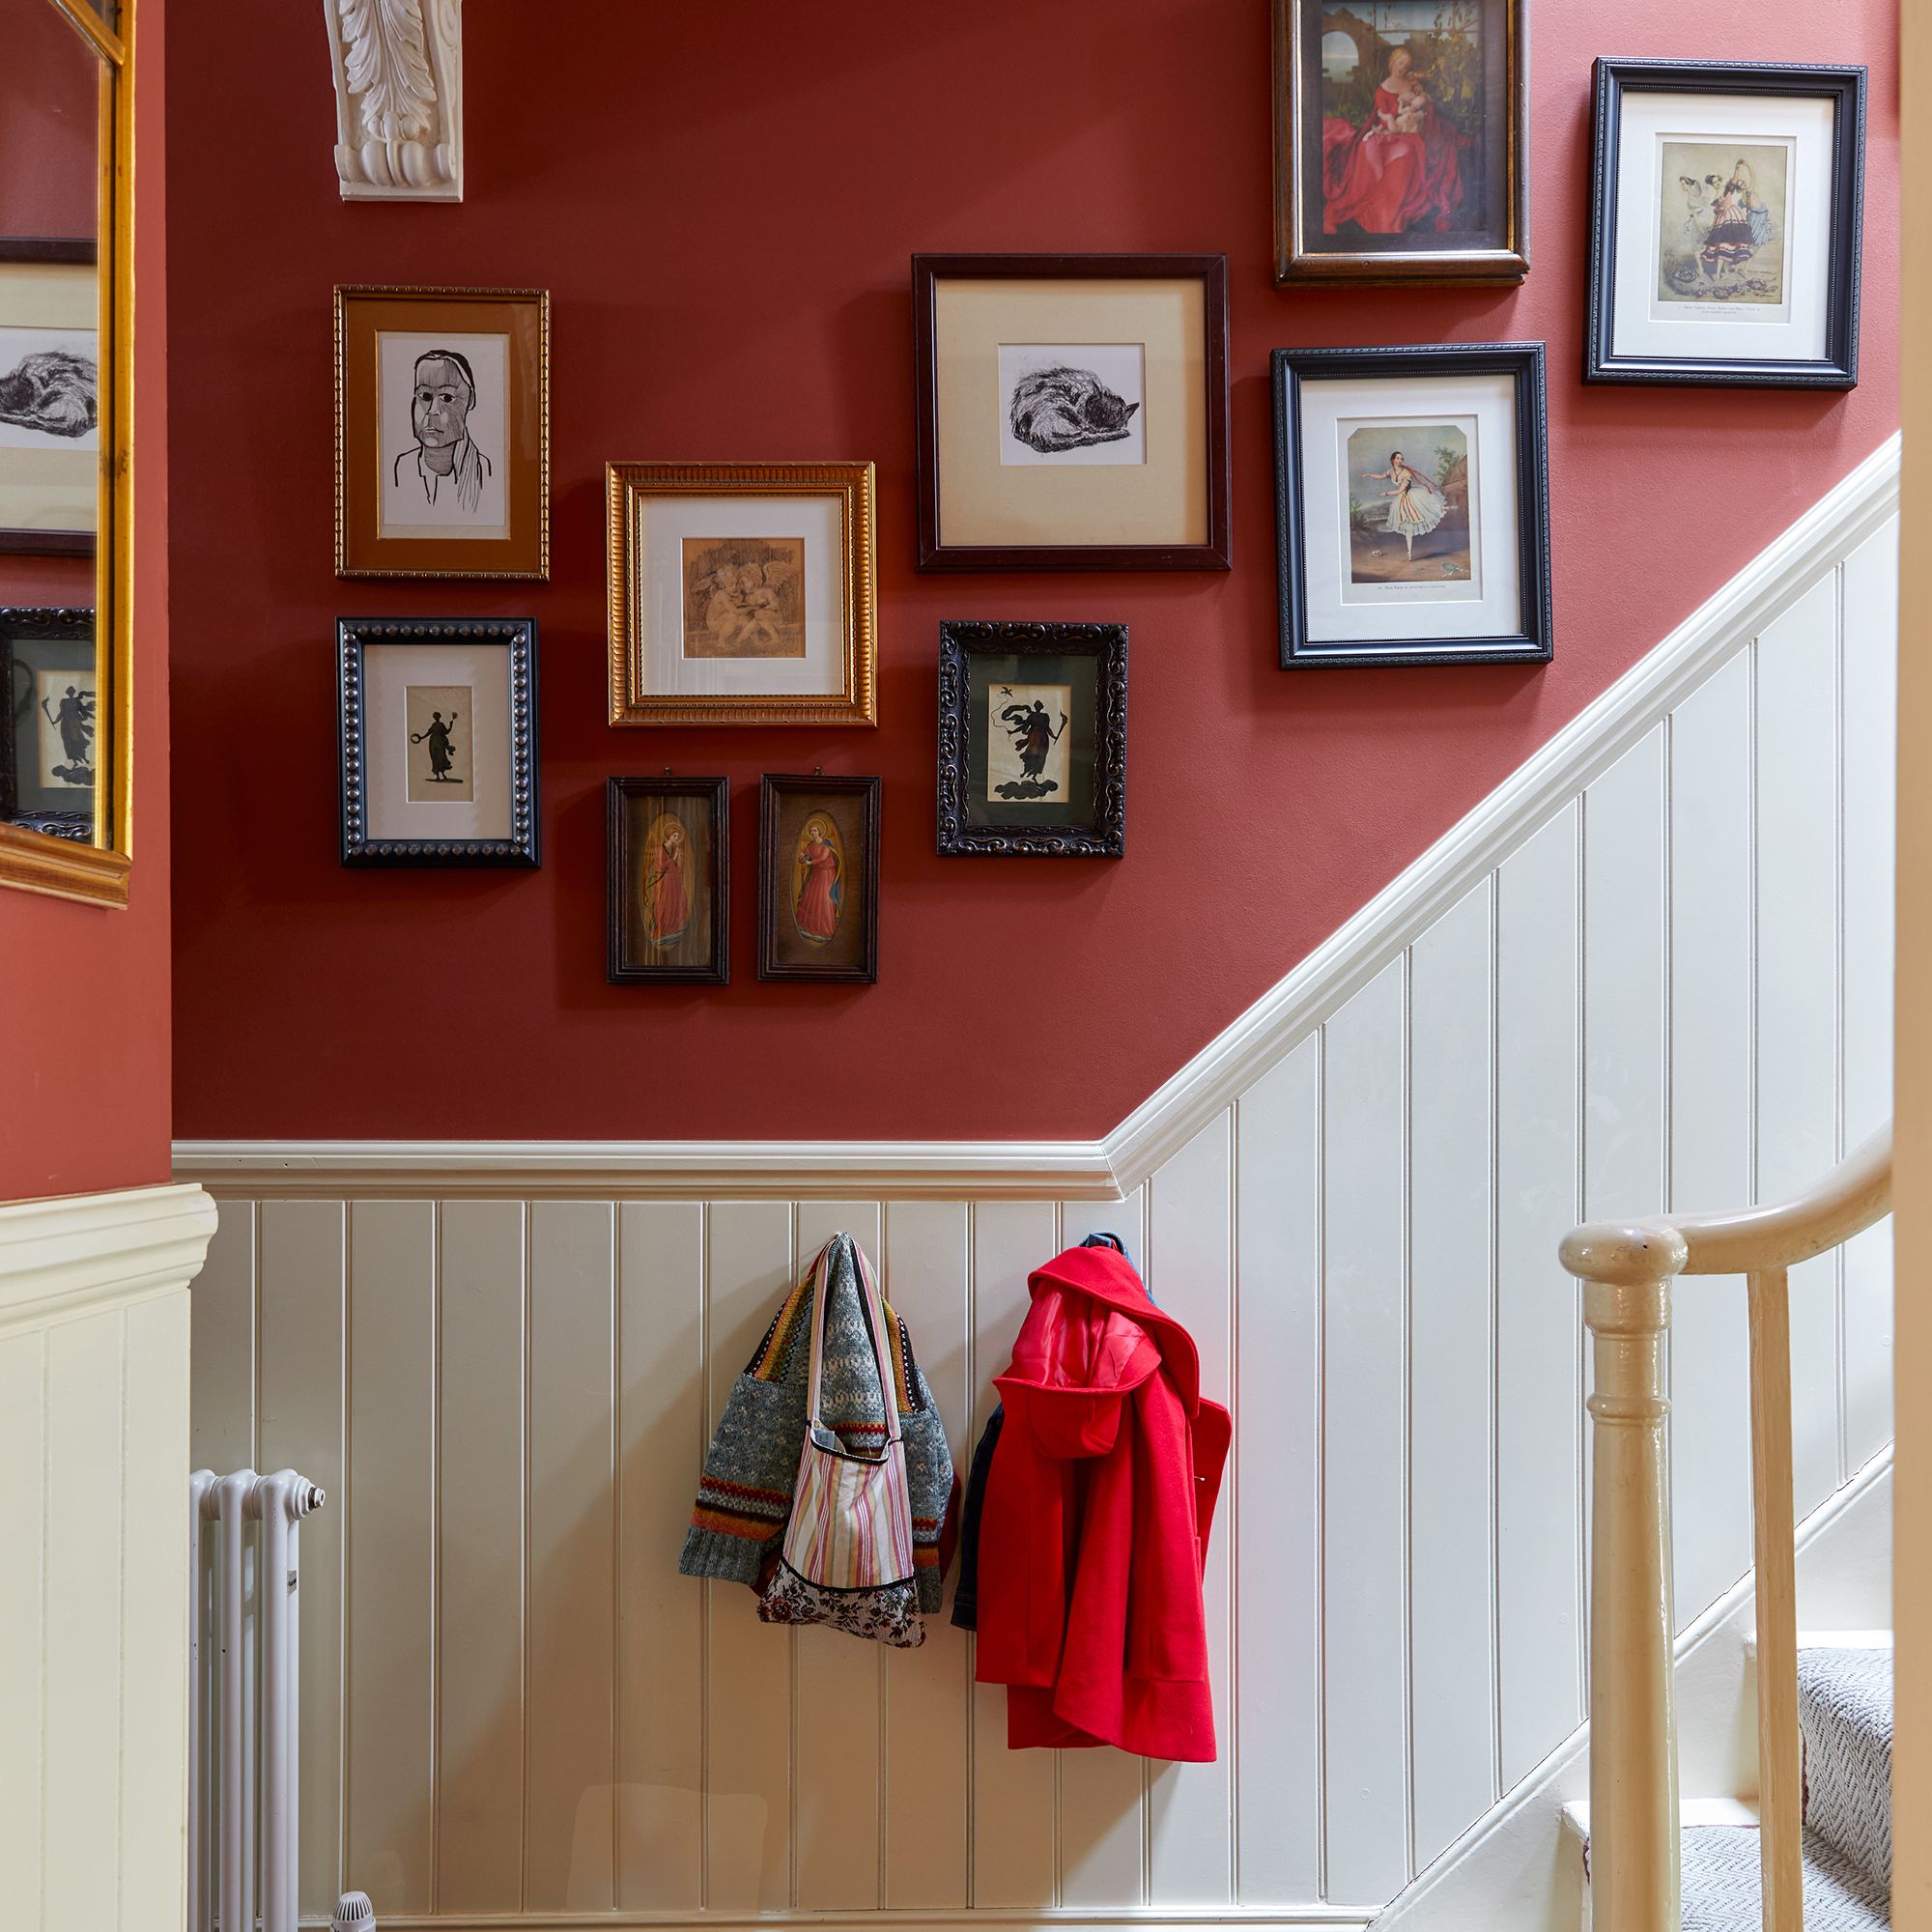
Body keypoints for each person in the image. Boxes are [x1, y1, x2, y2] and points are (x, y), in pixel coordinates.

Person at [1322, 46, 1464, 237]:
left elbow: (1425, 105)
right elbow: (1384, 117)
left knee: (1407, 149)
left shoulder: (1412, 84)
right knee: (1368, 146)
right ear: (1392, 62)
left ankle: (1392, 199)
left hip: (1409, 130)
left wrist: (1419, 108)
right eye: (1400, 63)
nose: (1402, 68)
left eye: (1406, 65)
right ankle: (1377, 192)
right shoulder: (1383, 89)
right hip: (1391, 128)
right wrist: (1387, 126)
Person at [392, 349, 492, 513]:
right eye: (425, 396)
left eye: (447, 398)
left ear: (470, 400)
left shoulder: (484, 471)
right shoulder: (403, 467)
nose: (433, 410)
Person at [1369, 450, 1448, 563]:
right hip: (1400, 500)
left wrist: (1385, 493)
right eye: (1398, 458)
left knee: (1426, 511)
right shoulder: (1391, 472)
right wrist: (1369, 475)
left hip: (1411, 497)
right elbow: (1381, 476)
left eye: (1401, 458)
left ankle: (1443, 508)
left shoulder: (1406, 473)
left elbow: (1400, 490)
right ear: (1393, 460)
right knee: (1408, 529)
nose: (1400, 460)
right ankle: (1409, 552)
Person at [793, 817, 841, 943]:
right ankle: (808, 926)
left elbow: (822, 857)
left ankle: (824, 928)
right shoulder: (810, 845)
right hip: (816, 874)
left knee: (823, 899)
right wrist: (802, 857)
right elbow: (803, 856)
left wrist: (809, 861)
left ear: (820, 832)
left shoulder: (826, 845)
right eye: (812, 830)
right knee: (810, 896)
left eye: (815, 830)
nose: (813, 832)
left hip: (826, 874)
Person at [643, 820, 690, 946]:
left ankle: (673, 928)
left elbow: (678, 867)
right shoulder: (660, 849)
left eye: (678, 836)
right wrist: (673, 858)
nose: (677, 838)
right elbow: (661, 866)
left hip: (674, 880)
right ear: (669, 835)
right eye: (675, 835)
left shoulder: (675, 848)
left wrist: (679, 859)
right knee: (664, 903)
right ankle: (663, 928)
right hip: (665, 881)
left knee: (676, 902)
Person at [410, 709, 459, 781]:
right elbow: (445, 732)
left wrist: (421, 737)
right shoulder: (437, 725)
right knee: (438, 758)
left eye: (435, 716)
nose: (435, 718)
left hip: (435, 742)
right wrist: (421, 737)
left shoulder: (436, 725)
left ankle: (440, 775)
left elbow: (430, 733)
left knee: (437, 758)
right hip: (436, 743)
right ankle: (440, 775)